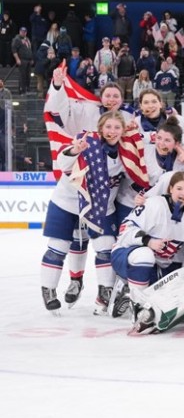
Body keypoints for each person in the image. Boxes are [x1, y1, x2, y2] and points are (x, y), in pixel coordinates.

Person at [41, 111, 139, 314]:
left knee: (105, 247)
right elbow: (63, 162)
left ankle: (105, 291)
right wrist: (75, 150)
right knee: (58, 247)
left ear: (122, 130)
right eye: (108, 127)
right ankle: (49, 290)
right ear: (100, 128)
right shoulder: (86, 142)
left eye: (117, 127)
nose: (112, 131)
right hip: (67, 202)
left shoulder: (126, 152)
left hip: (103, 206)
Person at [112, 171, 184, 324]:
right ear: (170, 189)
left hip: (158, 266)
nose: (183, 193)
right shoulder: (153, 204)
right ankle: (138, 307)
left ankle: (129, 292)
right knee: (145, 254)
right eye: (179, 188)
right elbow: (124, 230)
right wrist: (148, 241)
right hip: (125, 254)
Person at [11, 27, 33, 94]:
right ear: (20, 31)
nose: (23, 33)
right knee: (22, 75)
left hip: (28, 59)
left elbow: (29, 49)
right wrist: (17, 59)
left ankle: (27, 89)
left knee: (28, 76)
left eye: (25, 32)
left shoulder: (27, 39)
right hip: (22, 59)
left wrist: (31, 58)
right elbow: (14, 50)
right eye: (22, 31)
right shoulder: (17, 39)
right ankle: (22, 90)